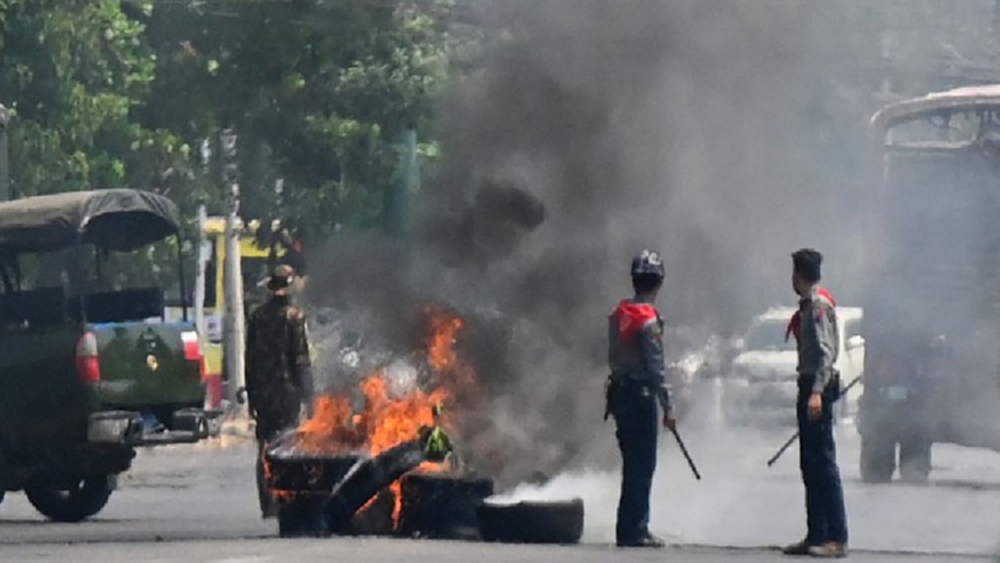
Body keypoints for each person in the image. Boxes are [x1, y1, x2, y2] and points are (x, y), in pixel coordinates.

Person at [606, 249, 676, 548]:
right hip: (641, 396)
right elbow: (656, 368)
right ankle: (636, 529)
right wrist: (669, 406)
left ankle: (627, 526)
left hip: (620, 394)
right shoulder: (648, 322)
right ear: (658, 283)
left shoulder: (619, 314)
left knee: (630, 463)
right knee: (642, 465)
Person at [783, 248, 849, 558]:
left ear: (800, 275)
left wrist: (816, 393)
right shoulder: (809, 306)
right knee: (810, 464)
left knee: (823, 464)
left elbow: (826, 354)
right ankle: (816, 534)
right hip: (809, 385)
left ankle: (836, 537)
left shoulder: (819, 308)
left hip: (816, 387)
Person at [245, 264, 314, 518]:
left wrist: (252, 395)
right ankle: (284, 498)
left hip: (263, 393)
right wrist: (309, 396)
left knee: (265, 447)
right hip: (288, 393)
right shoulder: (295, 318)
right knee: (287, 447)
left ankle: (267, 503)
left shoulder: (257, 317)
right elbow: (301, 361)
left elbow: (250, 359)